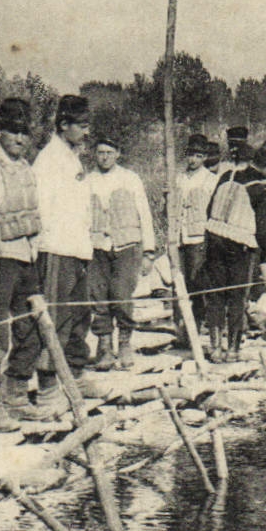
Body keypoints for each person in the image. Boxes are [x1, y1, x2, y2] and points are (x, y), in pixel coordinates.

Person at [0, 97, 47, 432]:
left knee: (30, 326)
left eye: (24, 133)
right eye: (12, 131)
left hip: (26, 255)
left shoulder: (27, 168)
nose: (19, 139)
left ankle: (17, 391)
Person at [201, 139, 266, 362]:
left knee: (216, 294)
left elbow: (209, 208)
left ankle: (215, 348)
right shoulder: (260, 188)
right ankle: (233, 350)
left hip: (214, 238)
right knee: (238, 296)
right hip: (241, 246)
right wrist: (265, 253)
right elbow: (263, 228)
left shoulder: (227, 176)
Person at [34, 95, 96, 382]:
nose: (87, 132)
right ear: (63, 125)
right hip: (57, 249)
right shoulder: (48, 160)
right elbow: (42, 210)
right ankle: (48, 383)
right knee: (56, 318)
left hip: (78, 250)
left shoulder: (72, 158)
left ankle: (75, 375)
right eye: (81, 126)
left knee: (80, 315)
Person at [86, 133, 155, 370]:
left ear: (118, 154)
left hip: (127, 246)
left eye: (109, 153)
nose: (104, 157)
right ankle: (104, 346)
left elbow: (144, 214)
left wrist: (149, 252)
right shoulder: (87, 180)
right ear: (94, 155)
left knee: (121, 295)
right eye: (100, 153)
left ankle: (125, 343)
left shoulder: (130, 178)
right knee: (99, 297)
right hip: (96, 247)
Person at [174, 134, 218, 336]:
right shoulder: (179, 178)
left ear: (204, 158)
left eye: (198, 156)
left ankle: (198, 324)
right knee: (179, 282)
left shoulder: (210, 180)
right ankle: (182, 328)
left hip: (199, 238)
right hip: (179, 237)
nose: (193, 160)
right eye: (191, 155)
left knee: (197, 281)